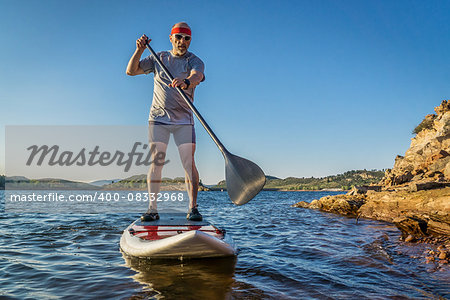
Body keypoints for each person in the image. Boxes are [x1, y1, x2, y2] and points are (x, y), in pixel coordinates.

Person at [126, 22, 205, 221]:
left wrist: (186, 82)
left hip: (184, 120)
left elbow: (198, 75)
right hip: (158, 119)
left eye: (186, 38)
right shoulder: (158, 58)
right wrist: (139, 50)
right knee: (156, 162)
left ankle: (192, 208)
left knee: (188, 163)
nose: (182, 42)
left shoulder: (194, 61)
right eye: (178, 37)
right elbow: (131, 71)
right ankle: (152, 209)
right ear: (171, 38)